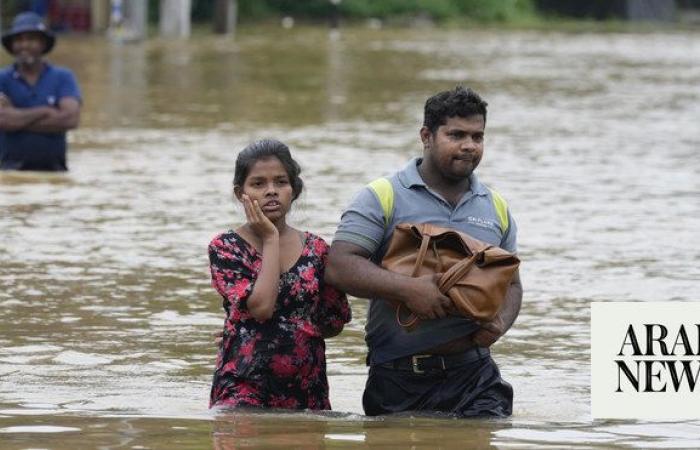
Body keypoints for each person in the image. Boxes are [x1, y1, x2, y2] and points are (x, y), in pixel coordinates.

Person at [325, 86, 523, 417]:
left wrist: (500, 323)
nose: (469, 146)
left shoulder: (496, 207)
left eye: (478, 136)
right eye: (456, 134)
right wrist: (410, 290)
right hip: (397, 377)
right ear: (426, 136)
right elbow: (339, 265)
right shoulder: (382, 196)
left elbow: (513, 285)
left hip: (475, 377)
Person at [208, 139, 351, 410]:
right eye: (258, 184)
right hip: (243, 385)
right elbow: (261, 308)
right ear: (241, 193)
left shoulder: (317, 249)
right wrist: (271, 239)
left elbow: (333, 322)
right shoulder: (226, 248)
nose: (271, 191)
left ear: (294, 189)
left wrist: (283, 331)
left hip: (307, 389)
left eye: (281, 182)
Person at [0, 11, 81, 171]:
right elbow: (3, 120)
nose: (24, 45)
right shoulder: (2, 78)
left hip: (56, 174)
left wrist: (16, 117)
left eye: (31, 39)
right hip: (10, 175)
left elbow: (70, 119)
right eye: (19, 40)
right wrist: (46, 111)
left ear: (43, 43)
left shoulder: (63, 77)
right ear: (12, 45)